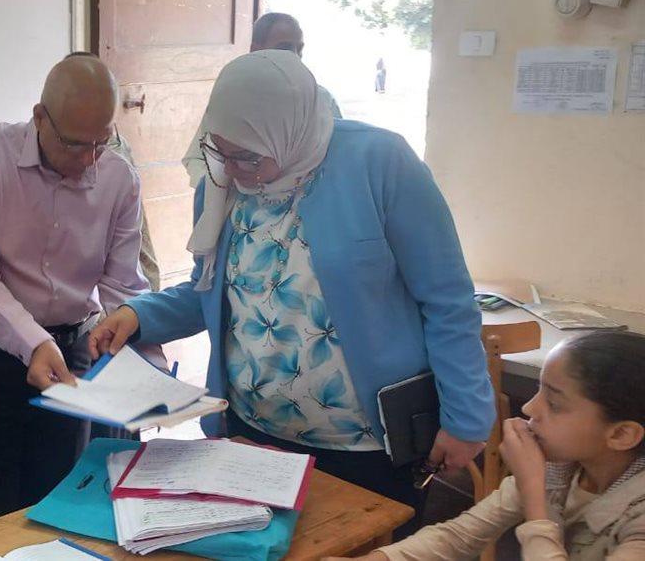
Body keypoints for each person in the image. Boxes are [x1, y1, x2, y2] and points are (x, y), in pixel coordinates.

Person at [90, 50, 493, 528]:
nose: (233, 169)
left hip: (366, 445)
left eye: (249, 156)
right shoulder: (220, 186)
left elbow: (447, 301)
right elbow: (213, 292)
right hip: (253, 435)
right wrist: (139, 315)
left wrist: (466, 419)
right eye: (221, 151)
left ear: (287, 129)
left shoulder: (380, 163)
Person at [0, 53, 149, 529]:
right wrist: (33, 341)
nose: (88, 159)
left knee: (62, 505)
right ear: (39, 117)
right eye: (75, 144)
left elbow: (122, 284)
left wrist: (140, 362)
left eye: (102, 142)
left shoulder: (119, 177)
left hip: (72, 353)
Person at [334, 330, 645, 560]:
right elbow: (460, 535)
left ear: (621, 435)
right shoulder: (561, 468)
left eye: (553, 403)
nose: (529, 408)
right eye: (538, 392)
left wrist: (534, 497)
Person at [182, 12, 340, 186]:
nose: (294, 56)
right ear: (256, 50)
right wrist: (220, 190)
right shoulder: (233, 100)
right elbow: (197, 159)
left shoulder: (322, 101)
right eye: (285, 48)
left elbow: (335, 165)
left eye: (299, 49)